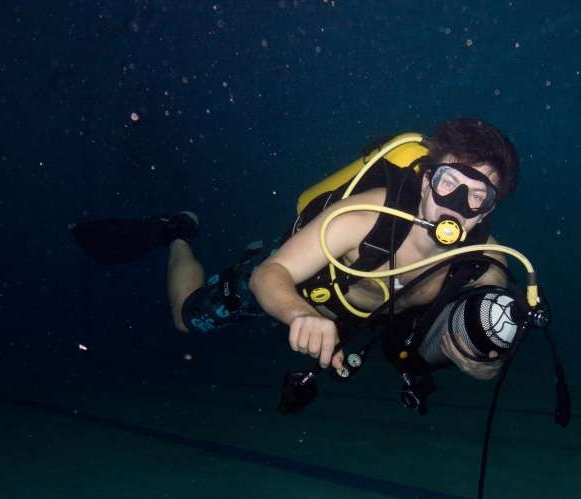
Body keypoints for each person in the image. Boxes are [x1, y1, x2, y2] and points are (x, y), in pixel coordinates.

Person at [71, 117, 521, 392]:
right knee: (187, 318)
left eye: (477, 195)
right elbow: (273, 274)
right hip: (306, 287)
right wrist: (299, 313)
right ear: (426, 180)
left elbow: (484, 338)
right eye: (448, 184)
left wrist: (483, 360)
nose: (456, 206)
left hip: (360, 320)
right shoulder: (365, 219)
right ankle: (176, 232)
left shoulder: (483, 266)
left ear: (488, 210)